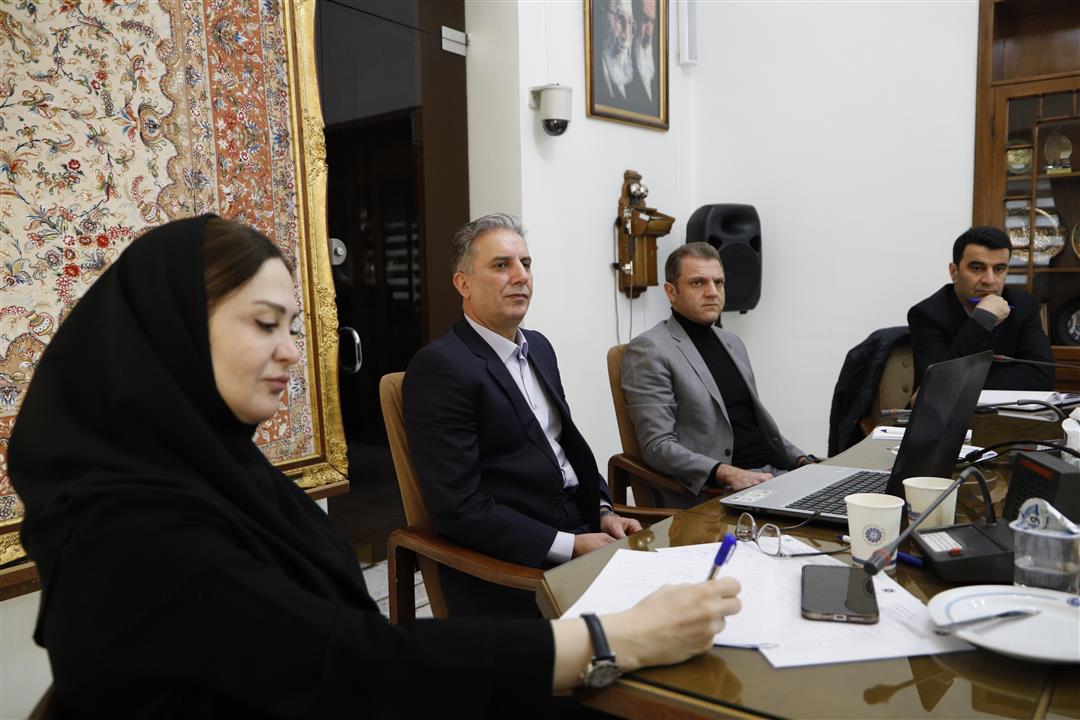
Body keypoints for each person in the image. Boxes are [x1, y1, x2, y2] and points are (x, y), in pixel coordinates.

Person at [9, 215, 741, 718]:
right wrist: (612, 639)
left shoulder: (222, 470)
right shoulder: (127, 529)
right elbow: (345, 662)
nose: (292, 352)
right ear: (167, 335)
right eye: (264, 324)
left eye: (294, 326)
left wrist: (600, 513)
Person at [403, 213, 642, 618]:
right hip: (513, 567)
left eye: (526, 263)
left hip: (585, 534)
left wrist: (604, 511)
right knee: (658, 626)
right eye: (502, 265)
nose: (521, 276)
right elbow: (459, 509)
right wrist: (571, 545)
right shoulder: (441, 367)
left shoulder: (539, 347)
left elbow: (566, 449)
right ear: (463, 284)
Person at [621, 243, 809, 510]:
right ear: (671, 292)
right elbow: (658, 446)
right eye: (697, 282)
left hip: (771, 477)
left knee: (855, 501)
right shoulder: (650, 349)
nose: (712, 292)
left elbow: (756, 429)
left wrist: (803, 460)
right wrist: (727, 473)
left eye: (718, 282)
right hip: (717, 491)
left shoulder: (732, 342)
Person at [907, 226, 1053, 391]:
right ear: (954, 272)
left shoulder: (1024, 306)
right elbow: (939, 385)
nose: (989, 280)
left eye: (999, 269)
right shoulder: (927, 314)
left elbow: (1043, 375)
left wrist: (970, 381)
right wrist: (983, 319)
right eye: (977, 268)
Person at [593, 0, 635, 109]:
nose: (627, 36)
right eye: (620, 19)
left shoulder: (634, 86)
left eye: (630, 23)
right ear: (603, 17)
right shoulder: (594, 71)